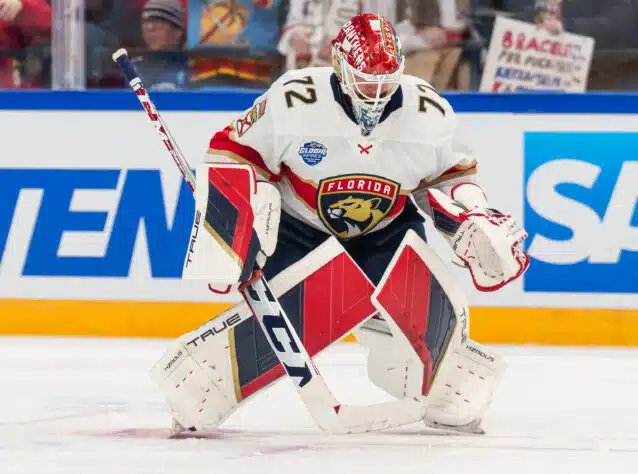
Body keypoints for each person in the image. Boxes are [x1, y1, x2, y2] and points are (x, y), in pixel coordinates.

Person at [150, 13, 530, 435]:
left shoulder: (429, 112)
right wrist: (238, 220)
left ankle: (446, 387)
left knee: (418, 329)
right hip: (299, 228)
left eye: (386, 81)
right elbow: (233, 154)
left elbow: (450, 177)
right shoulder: (294, 99)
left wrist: (472, 215)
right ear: (340, 65)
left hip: (386, 230)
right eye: (366, 80)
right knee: (284, 323)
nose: (377, 93)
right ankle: (203, 385)